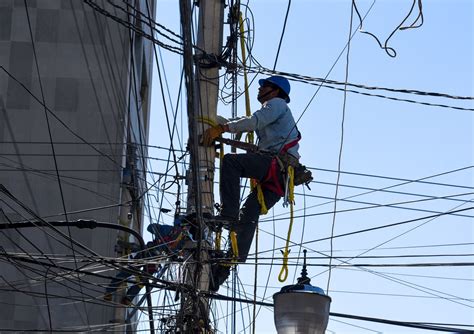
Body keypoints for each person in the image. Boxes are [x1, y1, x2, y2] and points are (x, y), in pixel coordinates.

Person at [202, 75, 301, 291]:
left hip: (275, 165)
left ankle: (228, 213)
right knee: (249, 214)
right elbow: (249, 119)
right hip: (280, 178)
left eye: (264, 86)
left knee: (231, 163)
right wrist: (221, 123)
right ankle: (224, 269)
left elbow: (253, 122)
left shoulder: (277, 104)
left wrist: (223, 129)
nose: (260, 89)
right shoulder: (272, 109)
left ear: (275, 90)